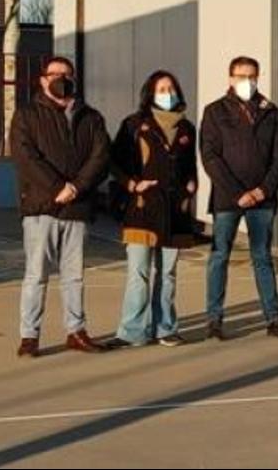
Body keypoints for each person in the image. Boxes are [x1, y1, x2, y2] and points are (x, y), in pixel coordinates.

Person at [10, 56, 110, 357]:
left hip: (77, 208)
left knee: (74, 275)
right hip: (42, 208)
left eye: (66, 74)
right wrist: (58, 188)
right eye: (54, 74)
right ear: (42, 80)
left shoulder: (90, 117)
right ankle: (30, 336)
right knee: (36, 275)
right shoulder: (27, 116)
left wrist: (77, 187)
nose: (60, 78)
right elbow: (26, 157)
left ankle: (76, 331)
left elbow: (101, 156)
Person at [200, 56, 278, 339]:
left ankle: (273, 318)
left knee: (262, 257)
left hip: (262, 200)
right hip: (228, 200)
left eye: (252, 76)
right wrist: (237, 193)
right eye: (241, 76)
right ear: (230, 78)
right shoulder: (215, 112)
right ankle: (214, 320)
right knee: (219, 257)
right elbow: (210, 156)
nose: (247, 82)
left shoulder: (271, 112)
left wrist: (262, 190)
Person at [107, 70, 198, 349]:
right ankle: (131, 330)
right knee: (139, 273)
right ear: (150, 93)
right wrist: (133, 185)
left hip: (176, 212)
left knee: (168, 273)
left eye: (171, 88)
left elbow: (189, 164)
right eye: (161, 88)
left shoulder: (186, 128)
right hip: (142, 210)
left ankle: (165, 327)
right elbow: (114, 163)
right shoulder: (134, 125)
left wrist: (191, 185)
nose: (167, 93)